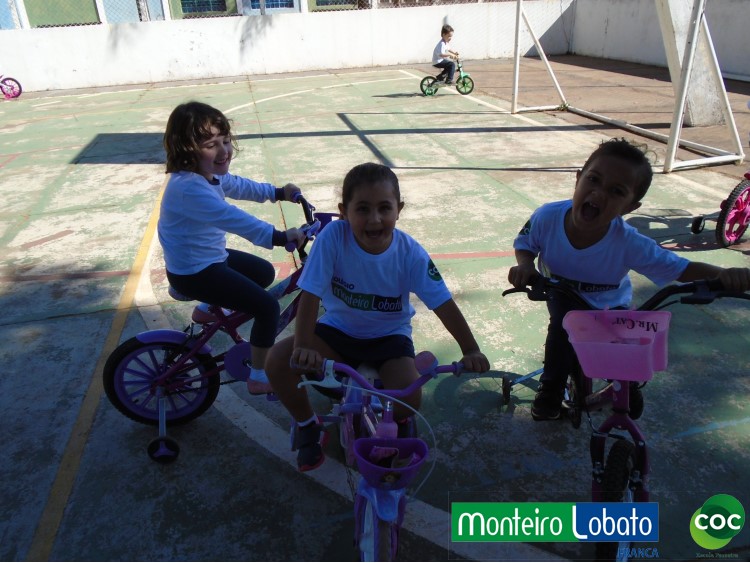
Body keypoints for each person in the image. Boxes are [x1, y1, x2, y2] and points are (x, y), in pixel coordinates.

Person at [266, 162, 490, 472]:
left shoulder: (410, 253)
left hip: (389, 337)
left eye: (385, 208)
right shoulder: (333, 237)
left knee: (409, 401)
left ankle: (399, 418)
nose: (374, 219)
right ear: (344, 212)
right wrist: (303, 345)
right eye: (363, 209)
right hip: (337, 332)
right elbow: (311, 294)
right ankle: (308, 425)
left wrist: (470, 349)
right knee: (277, 361)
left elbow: (442, 303)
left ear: (399, 210)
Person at [508, 138, 750, 422]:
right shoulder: (547, 217)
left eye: (616, 191)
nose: (599, 193)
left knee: (621, 351)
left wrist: (724, 275)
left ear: (630, 207)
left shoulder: (630, 243)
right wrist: (525, 265)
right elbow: (526, 243)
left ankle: (626, 385)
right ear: (578, 179)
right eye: (593, 179)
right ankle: (551, 388)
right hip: (560, 294)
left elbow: (681, 268)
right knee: (562, 333)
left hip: (610, 305)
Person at [159, 101, 306, 397]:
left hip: (207, 259)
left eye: (225, 140)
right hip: (194, 272)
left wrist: (277, 193)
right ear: (187, 150)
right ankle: (259, 376)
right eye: (211, 145)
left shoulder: (204, 175)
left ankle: (206, 310)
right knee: (267, 308)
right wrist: (279, 237)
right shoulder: (188, 188)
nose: (224, 150)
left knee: (263, 273)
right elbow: (233, 219)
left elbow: (238, 185)